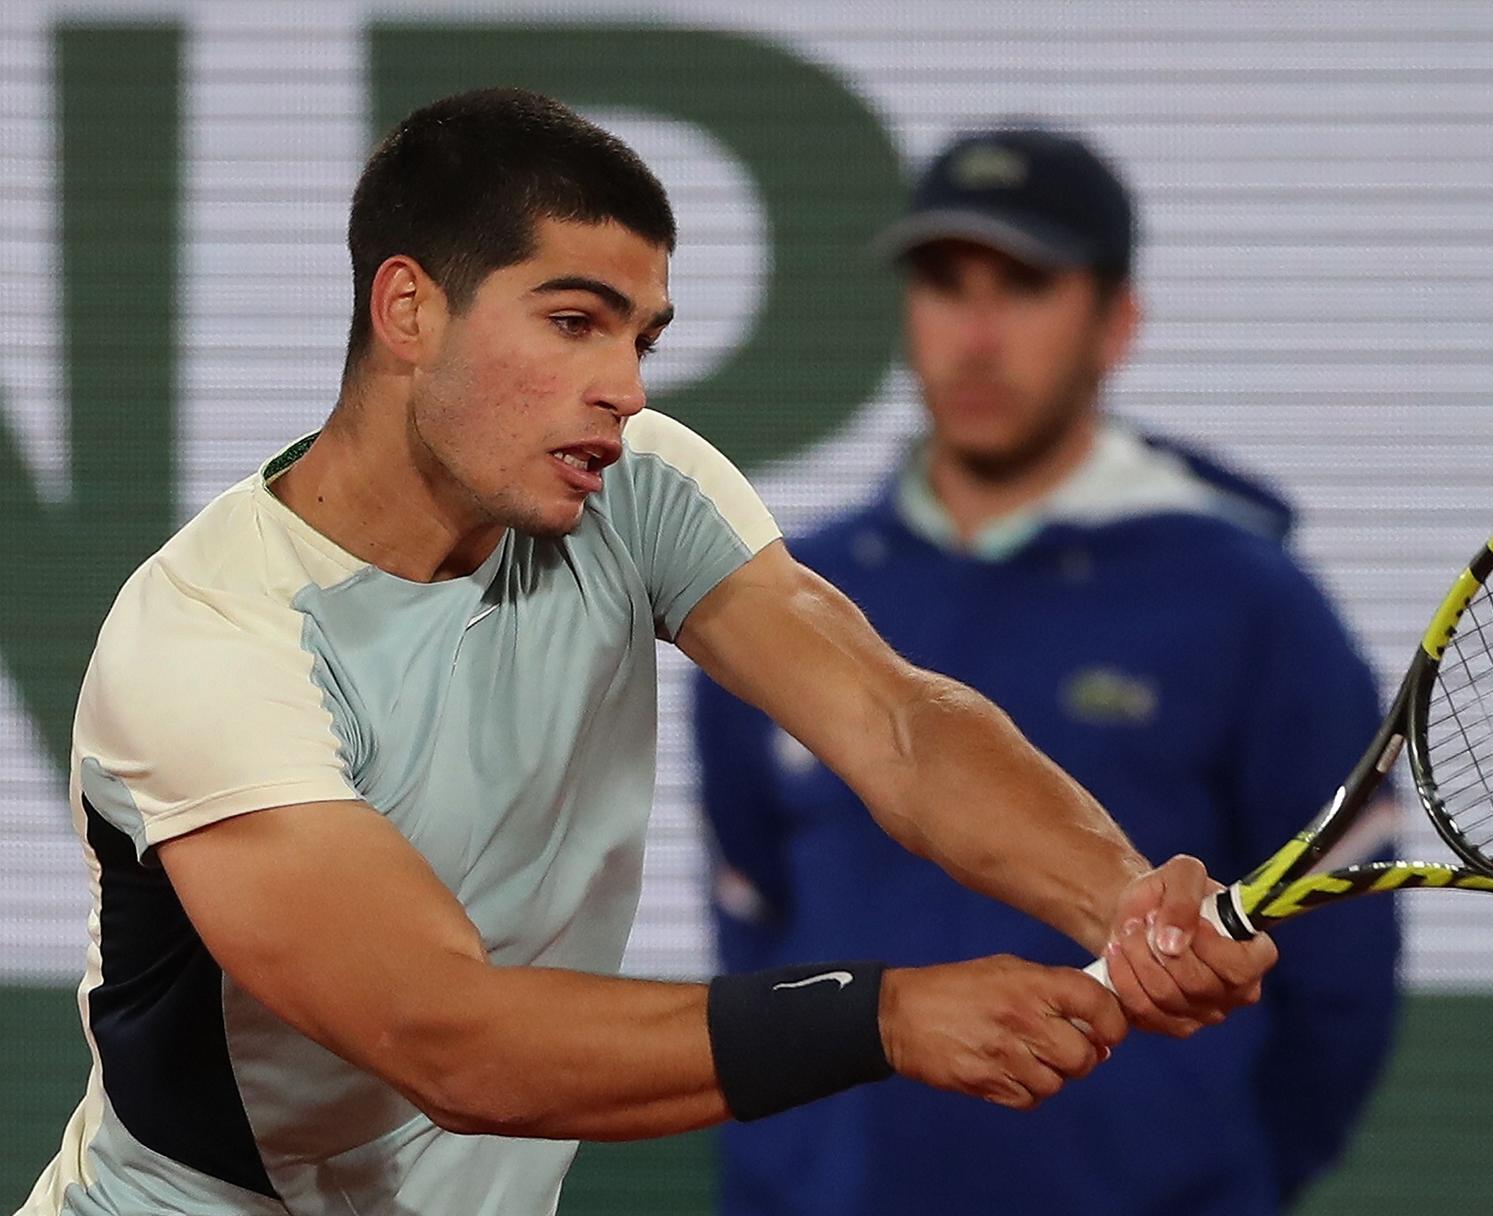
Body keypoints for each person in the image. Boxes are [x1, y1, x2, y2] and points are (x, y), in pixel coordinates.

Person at [14, 91, 1278, 1216]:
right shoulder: (209, 643)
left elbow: (895, 725)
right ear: (408, 309)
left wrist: (1120, 901)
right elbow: (447, 1041)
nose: (622, 384)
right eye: (574, 321)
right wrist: (880, 1014)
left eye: (641, 337)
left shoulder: (637, 487)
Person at [695, 124, 1404, 1216]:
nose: (974, 335)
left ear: (1115, 320)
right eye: (942, 284)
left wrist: (1211, 1179)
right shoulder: (789, 598)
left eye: (1022, 285)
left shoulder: (1248, 600)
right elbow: (756, 928)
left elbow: (1336, 967)